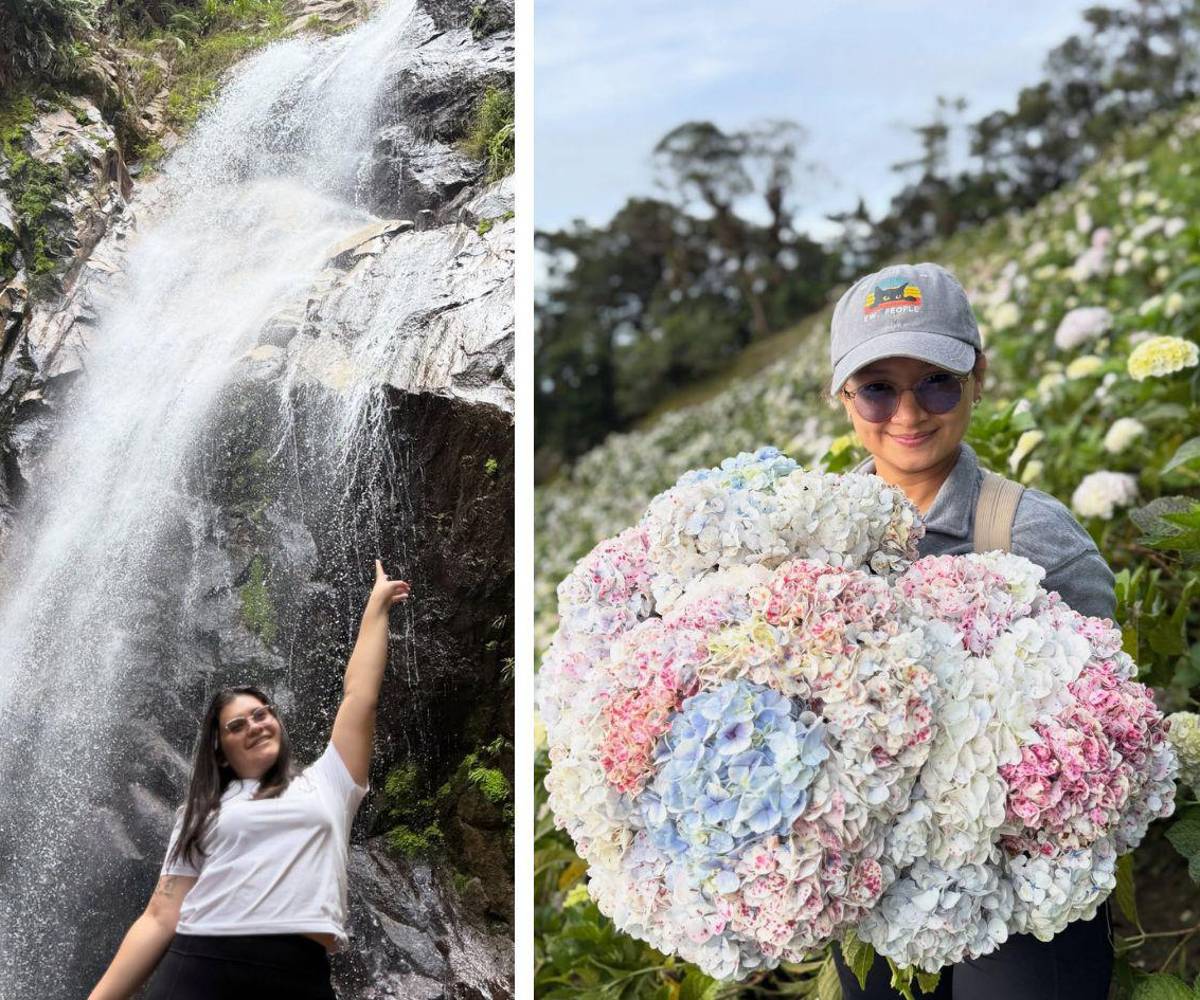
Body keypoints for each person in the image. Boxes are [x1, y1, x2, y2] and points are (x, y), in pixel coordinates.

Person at [826, 262, 1115, 999]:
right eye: (878, 387)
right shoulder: (811, 542)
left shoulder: (1034, 536)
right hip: (875, 888)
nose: (908, 413)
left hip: (1020, 896)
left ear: (978, 378)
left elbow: (1106, 729)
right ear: (843, 398)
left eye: (936, 381)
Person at [87, 559, 411, 1000]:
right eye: (237, 725)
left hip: (298, 974)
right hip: (199, 967)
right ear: (220, 749)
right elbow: (160, 916)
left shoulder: (330, 781)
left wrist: (376, 607)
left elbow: (360, 697)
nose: (254, 725)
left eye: (261, 714)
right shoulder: (201, 811)